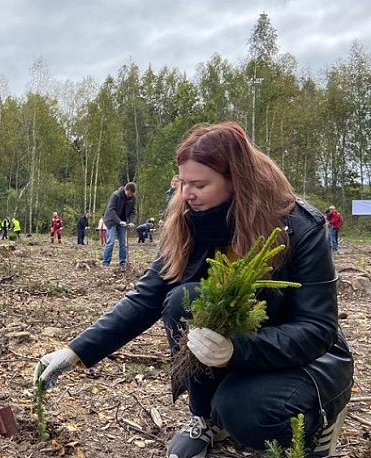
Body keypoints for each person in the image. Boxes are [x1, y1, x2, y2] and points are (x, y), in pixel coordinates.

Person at [35, 121, 353, 458]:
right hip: (243, 353)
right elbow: (147, 297)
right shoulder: (188, 220)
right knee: (181, 300)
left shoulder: (298, 226)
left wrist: (237, 349)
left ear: (238, 181)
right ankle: (204, 418)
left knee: (243, 410)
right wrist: (74, 353)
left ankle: (317, 423)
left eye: (199, 184)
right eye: (183, 182)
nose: (186, 194)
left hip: (306, 362)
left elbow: (318, 329)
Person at [101, 182, 137, 267]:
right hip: (111, 220)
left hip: (123, 222)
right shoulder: (115, 195)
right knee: (111, 242)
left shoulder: (132, 199)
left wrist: (131, 221)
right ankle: (105, 262)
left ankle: (123, 262)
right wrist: (118, 221)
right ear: (125, 189)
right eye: (128, 194)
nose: (129, 196)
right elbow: (111, 210)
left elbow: (132, 212)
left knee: (123, 243)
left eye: (131, 195)